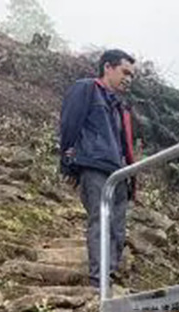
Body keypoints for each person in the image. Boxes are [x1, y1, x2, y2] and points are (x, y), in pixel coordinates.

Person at [59, 49, 137, 288]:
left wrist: (131, 176)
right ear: (108, 67)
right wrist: (67, 162)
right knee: (100, 220)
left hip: (118, 172)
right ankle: (98, 278)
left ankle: (109, 272)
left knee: (118, 226)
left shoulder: (119, 107)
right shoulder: (87, 89)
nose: (128, 79)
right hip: (93, 166)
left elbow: (124, 145)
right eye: (125, 72)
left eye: (132, 75)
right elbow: (69, 124)